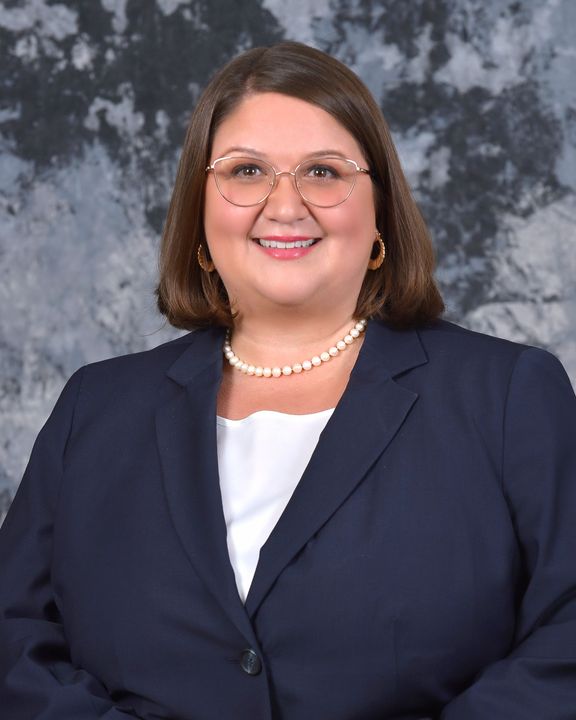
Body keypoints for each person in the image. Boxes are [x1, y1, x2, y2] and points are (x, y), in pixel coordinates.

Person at [0, 41, 575, 720]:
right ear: (199, 213)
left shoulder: (509, 396)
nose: (285, 205)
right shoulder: (94, 410)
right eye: (246, 170)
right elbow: (17, 642)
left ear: (380, 212)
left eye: (323, 172)